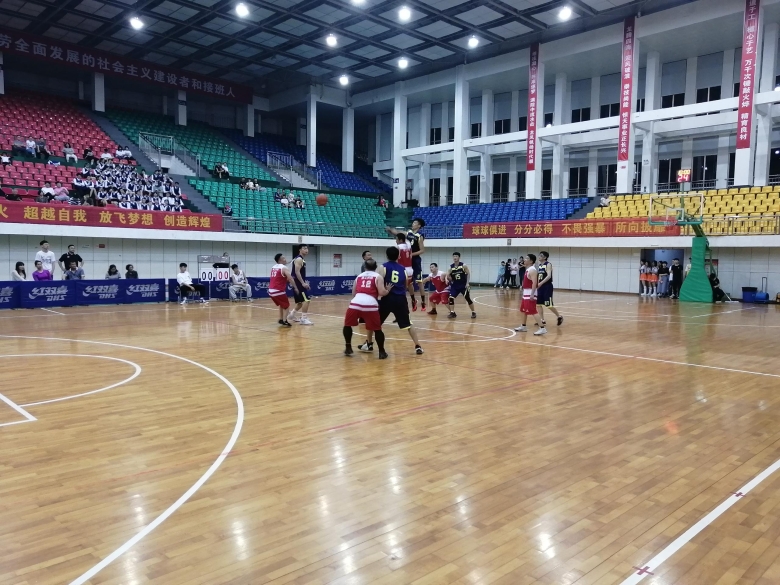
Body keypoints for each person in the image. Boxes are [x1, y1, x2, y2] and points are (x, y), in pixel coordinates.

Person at [359, 246, 423, 356]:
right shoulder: (403, 269)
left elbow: (378, 282)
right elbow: (406, 285)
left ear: (387, 255)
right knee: (408, 324)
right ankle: (418, 346)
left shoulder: (383, 267)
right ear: (398, 256)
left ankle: (369, 343)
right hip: (400, 299)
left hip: (387, 298)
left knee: (373, 322)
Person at [343, 258, 388, 358]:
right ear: (376, 267)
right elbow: (382, 292)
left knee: (347, 325)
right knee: (377, 329)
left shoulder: (359, 276)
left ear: (364, 267)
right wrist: (387, 290)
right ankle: (381, 352)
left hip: (355, 303)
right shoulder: (378, 276)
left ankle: (348, 347)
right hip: (370, 304)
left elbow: (353, 293)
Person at [387, 218, 427, 311]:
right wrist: (391, 230)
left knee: (419, 281)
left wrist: (411, 254)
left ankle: (423, 302)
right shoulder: (408, 233)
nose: (413, 224)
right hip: (408, 261)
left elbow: (422, 250)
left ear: (419, 225)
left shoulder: (419, 236)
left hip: (415, 260)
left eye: (415, 223)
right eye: (413, 222)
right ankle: (413, 300)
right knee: (409, 282)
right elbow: (398, 233)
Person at [514, 254, 547, 335]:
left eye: (526, 258)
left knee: (533, 311)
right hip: (526, 293)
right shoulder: (528, 269)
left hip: (530, 293)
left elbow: (534, 283)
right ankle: (523, 326)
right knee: (523, 310)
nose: (524, 259)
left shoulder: (532, 270)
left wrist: (532, 294)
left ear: (531, 261)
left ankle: (542, 328)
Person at [269, 253, 298, 326]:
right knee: (287, 306)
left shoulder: (273, 267)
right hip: (278, 291)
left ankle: (281, 319)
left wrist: (287, 279)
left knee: (282, 305)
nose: (285, 260)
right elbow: (290, 279)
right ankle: (285, 321)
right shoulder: (284, 268)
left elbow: (279, 278)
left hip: (271, 291)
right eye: (284, 258)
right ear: (280, 260)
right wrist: (295, 287)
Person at [446, 252, 476, 319]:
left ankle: (473, 312)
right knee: (451, 298)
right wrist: (447, 279)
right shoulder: (451, 267)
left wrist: (467, 283)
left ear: (459, 257)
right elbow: (447, 275)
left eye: (456, 256)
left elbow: (468, 274)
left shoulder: (463, 265)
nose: (455, 257)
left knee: (468, 299)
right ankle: (452, 313)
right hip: (455, 286)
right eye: (454, 256)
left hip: (463, 285)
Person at [536, 251, 563, 327]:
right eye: (539, 255)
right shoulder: (539, 265)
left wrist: (540, 283)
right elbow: (539, 276)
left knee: (548, 304)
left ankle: (559, 316)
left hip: (547, 286)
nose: (539, 257)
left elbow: (549, 276)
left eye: (541, 255)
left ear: (545, 257)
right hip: (540, 287)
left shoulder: (548, 264)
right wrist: (537, 283)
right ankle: (542, 320)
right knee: (538, 304)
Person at [288, 244, 312, 325]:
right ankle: (303, 319)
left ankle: (291, 315)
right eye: (304, 248)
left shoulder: (300, 259)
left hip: (297, 283)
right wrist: (303, 283)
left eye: (307, 248)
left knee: (300, 302)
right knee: (306, 300)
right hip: (298, 283)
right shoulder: (299, 259)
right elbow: (297, 272)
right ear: (300, 250)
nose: (306, 250)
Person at [393, 232, 418, 310]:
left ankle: (403, 306)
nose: (396, 241)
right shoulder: (408, 245)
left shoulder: (398, 247)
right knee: (410, 285)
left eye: (396, 239)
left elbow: (396, 259)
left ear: (400, 240)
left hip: (402, 269)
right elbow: (407, 238)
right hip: (410, 268)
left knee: (401, 288)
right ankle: (413, 300)